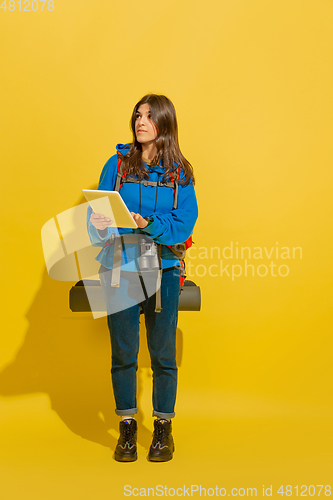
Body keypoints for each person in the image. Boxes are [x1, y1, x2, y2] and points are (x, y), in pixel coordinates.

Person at [87, 94, 198, 462]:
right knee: (124, 354)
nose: (140, 121)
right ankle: (128, 428)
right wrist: (100, 222)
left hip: (164, 271)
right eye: (137, 115)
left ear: (164, 123)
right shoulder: (117, 165)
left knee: (163, 354)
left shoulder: (181, 173)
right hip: (120, 267)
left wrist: (149, 225)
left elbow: (184, 225)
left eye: (149, 116)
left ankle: (164, 429)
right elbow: (95, 218)